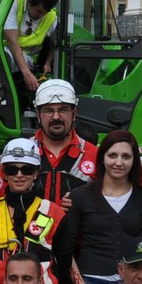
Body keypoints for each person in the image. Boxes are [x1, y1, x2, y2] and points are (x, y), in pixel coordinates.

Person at [54, 129, 142, 284]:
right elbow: (66, 249)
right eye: (112, 155)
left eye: (126, 156)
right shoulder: (79, 196)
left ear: (134, 160)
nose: (119, 162)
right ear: (102, 158)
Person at [0, 136, 66, 284]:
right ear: (5, 173)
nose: (19, 175)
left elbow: (63, 262)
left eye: (26, 169)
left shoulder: (54, 213)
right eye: (12, 169)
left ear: (35, 173)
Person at [29, 78, 98, 209]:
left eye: (63, 110)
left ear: (74, 113)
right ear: (38, 115)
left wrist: (81, 204)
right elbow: (3, 202)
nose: (56, 117)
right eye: (48, 110)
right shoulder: (21, 152)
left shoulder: (94, 155)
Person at [3, 0, 59, 104]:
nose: (41, 16)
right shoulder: (14, 2)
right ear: (30, 1)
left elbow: (55, 44)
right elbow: (12, 41)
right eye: (38, 11)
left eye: (44, 13)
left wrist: (48, 63)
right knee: (5, 55)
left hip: (30, 60)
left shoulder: (51, 17)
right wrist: (27, 74)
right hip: (8, 51)